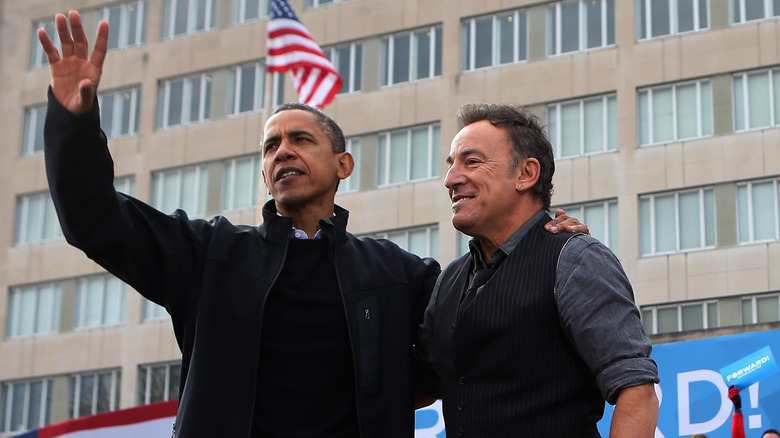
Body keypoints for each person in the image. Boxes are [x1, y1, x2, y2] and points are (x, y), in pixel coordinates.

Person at [38, 12, 587, 437]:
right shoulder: (208, 255)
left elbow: (480, 332)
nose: (283, 152)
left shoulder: (399, 275)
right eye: (271, 145)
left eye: (301, 140)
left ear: (343, 165)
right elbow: (93, 219)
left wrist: (541, 237)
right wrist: (73, 122)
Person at [417, 103, 660, 437]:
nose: (450, 179)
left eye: (471, 161)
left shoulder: (575, 259)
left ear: (526, 174)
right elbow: (423, 385)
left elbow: (637, 390)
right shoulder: (450, 280)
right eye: (451, 164)